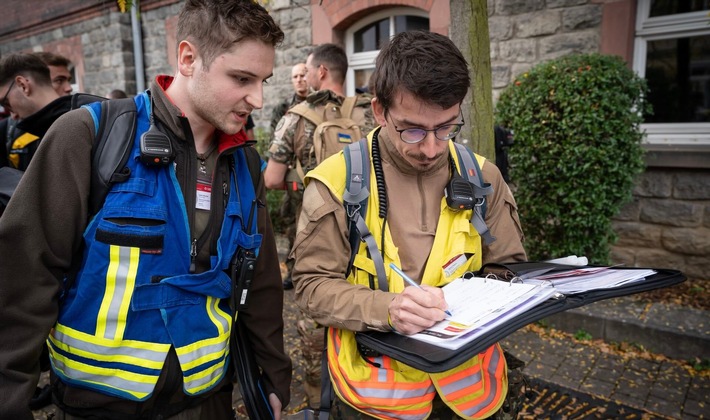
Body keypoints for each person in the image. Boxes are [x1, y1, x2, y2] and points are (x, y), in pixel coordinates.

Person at [0, 2, 292, 420]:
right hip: (95, 408)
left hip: (207, 403)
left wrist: (272, 375)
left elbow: (259, 279)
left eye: (263, 80)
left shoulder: (243, 162)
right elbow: (20, 281)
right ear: (188, 58)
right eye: (242, 78)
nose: (259, 99)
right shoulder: (88, 136)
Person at [290, 30, 527, 419]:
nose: (432, 148)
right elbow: (312, 286)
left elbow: (509, 268)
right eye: (413, 130)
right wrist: (387, 308)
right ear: (380, 110)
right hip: (374, 398)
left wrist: (503, 291)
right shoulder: (335, 182)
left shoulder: (483, 176)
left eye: (446, 127)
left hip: (469, 389)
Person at [264, 44, 375, 411]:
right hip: (368, 236)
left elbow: (272, 178)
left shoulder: (298, 116)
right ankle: (363, 394)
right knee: (364, 305)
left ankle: (317, 401)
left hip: (314, 235)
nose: (306, 77)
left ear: (322, 72)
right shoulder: (370, 112)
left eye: (308, 71)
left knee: (315, 315)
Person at [268, 62, 307, 291]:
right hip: (291, 178)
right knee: (291, 223)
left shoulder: (319, 105)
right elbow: (276, 142)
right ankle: (292, 271)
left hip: (312, 177)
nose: (300, 79)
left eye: (303, 74)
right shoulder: (284, 108)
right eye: (295, 76)